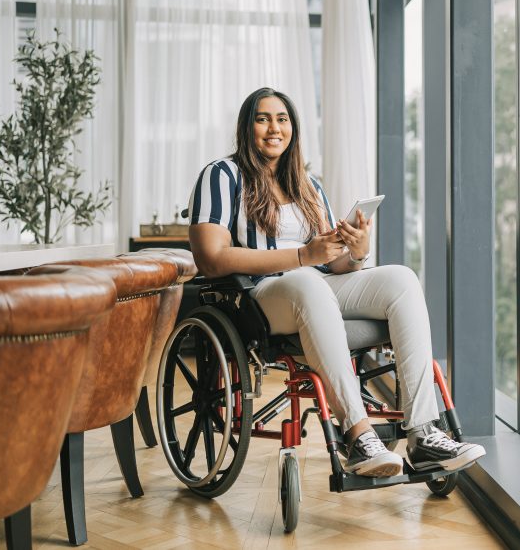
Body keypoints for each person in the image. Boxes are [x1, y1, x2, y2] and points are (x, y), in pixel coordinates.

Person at [187, 87, 485, 478]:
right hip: (260, 295)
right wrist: (301, 257)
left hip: (317, 287)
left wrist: (357, 252)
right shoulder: (221, 175)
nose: (273, 128)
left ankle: (423, 433)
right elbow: (211, 259)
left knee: (401, 278)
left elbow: (333, 263)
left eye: (282, 119)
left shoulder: (308, 186)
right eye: (263, 118)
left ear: (293, 128)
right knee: (307, 284)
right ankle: (358, 435)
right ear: (247, 127)